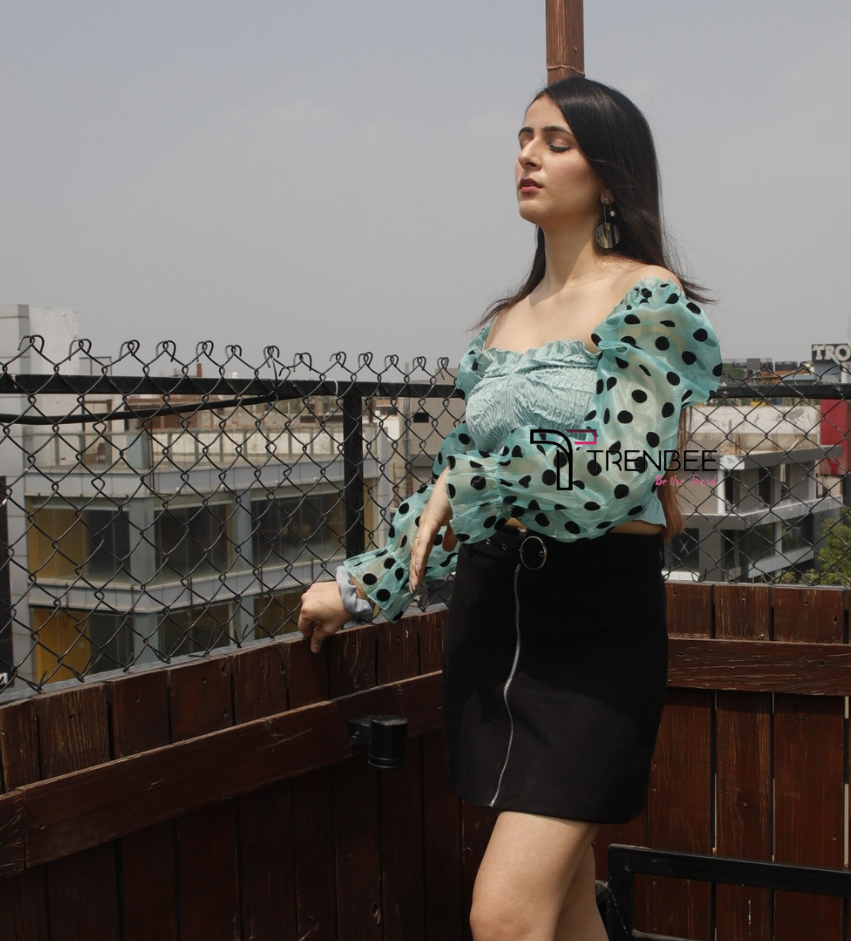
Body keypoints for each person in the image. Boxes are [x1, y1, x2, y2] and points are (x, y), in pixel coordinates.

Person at [298, 76, 722, 941]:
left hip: (596, 627)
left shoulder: (648, 297)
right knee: (562, 909)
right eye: (525, 138)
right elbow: (452, 484)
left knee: (504, 914)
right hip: (494, 617)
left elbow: (621, 466)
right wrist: (364, 586)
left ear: (610, 175)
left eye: (557, 142)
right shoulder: (505, 321)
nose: (529, 155)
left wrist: (474, 483)